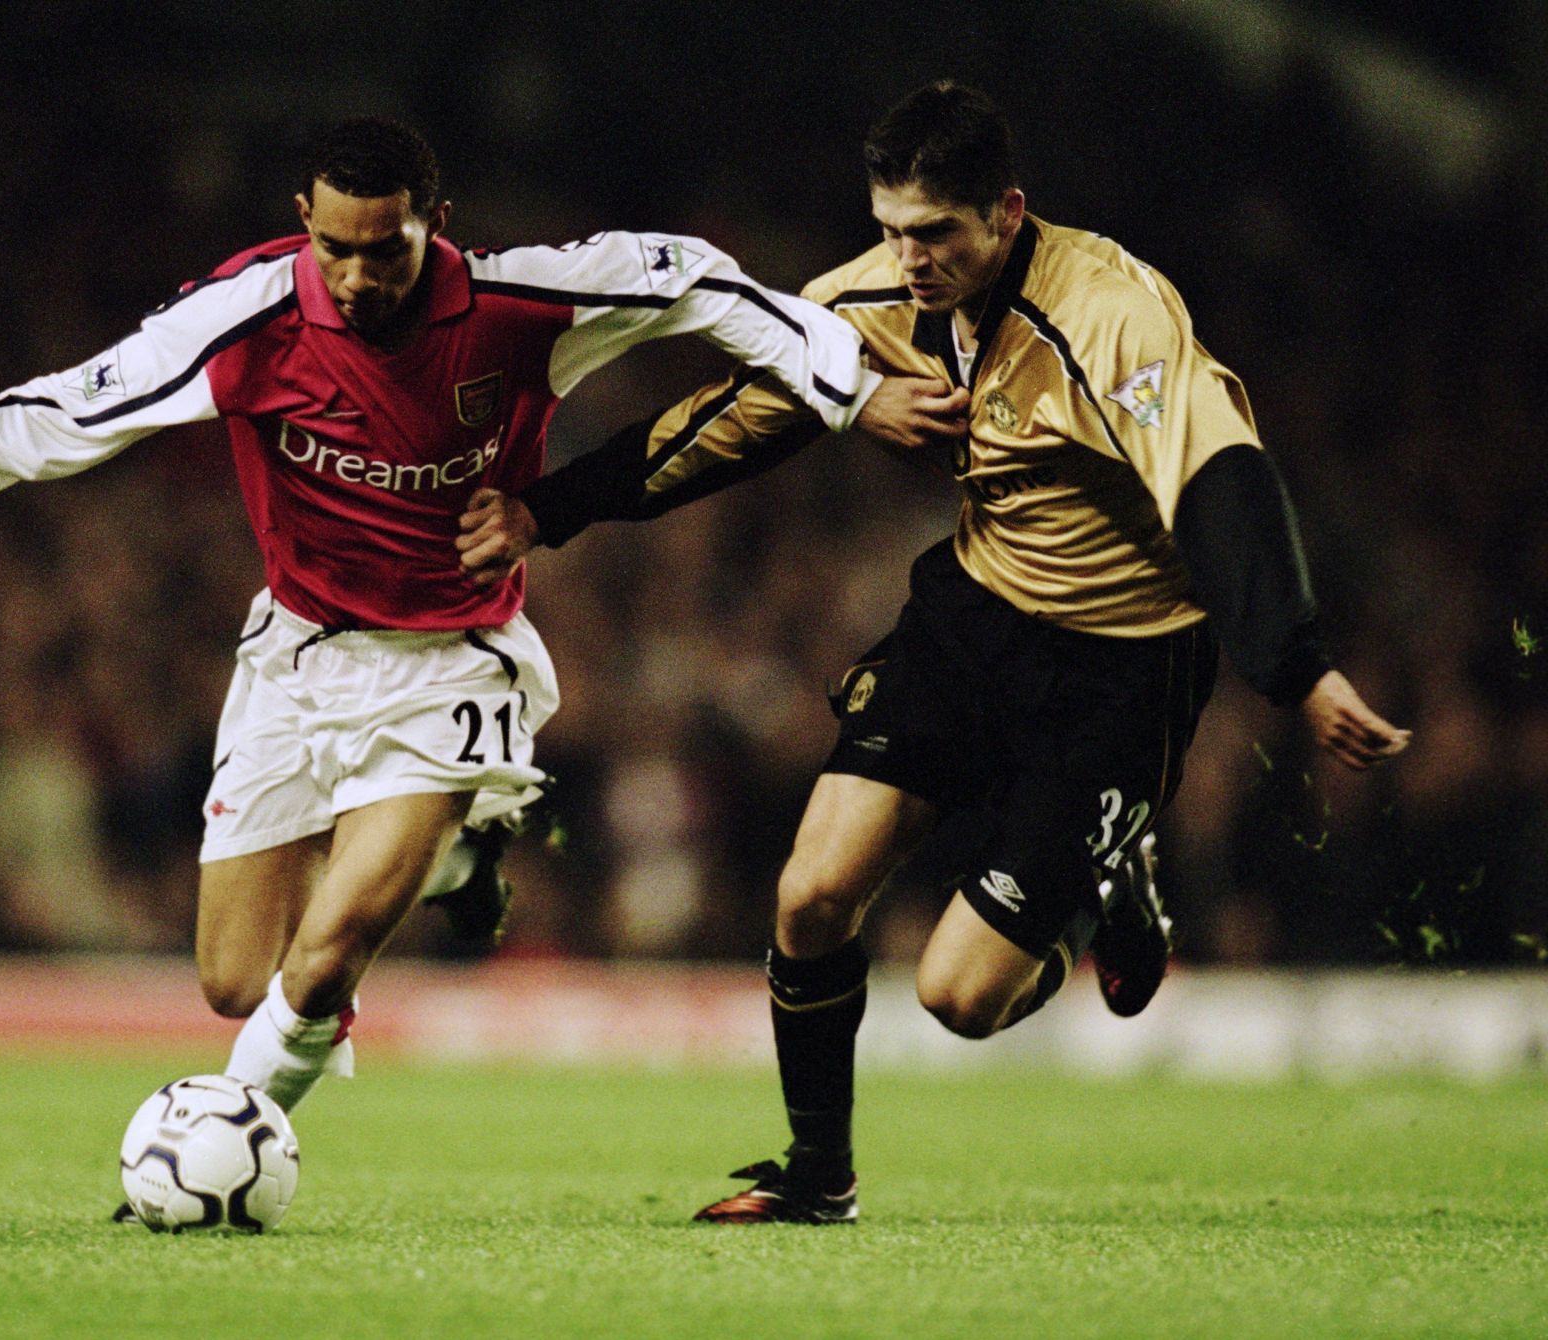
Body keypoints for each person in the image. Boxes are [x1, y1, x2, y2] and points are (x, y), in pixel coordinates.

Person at [0, 118, 934, 1136]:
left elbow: (691, 276)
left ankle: (220, 1136)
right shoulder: (250, 318)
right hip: (297, 655)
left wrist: (843, 385)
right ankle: (457, 863)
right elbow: (84, 402)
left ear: (436, 226)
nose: (359, 277)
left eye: (387, 250)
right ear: (303, 220)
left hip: (451, 663)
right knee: (235, 978)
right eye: (338, 250)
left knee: (324, 961)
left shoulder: (518, 305)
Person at [456, 82, 1410, 1224]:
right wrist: (548, 509)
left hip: (1119, 666)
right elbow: (734, 417)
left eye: (937, 232)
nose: (909, 257)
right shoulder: (864, 299)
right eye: (891, 227)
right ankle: (819, 1178)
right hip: (974, 620)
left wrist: (1298, 664)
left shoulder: (1112, 314)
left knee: (960, 996)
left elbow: (1223, 480)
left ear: (1007, 213)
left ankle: (1107, 879)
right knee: (809, 894)